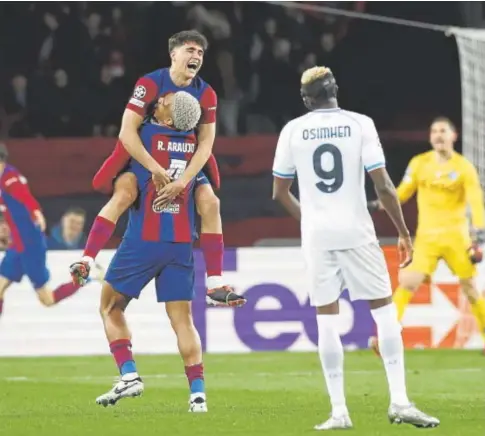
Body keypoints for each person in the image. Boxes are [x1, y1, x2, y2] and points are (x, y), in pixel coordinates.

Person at [272, 66, 439, 430]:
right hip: (357, 231)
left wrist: (311, 220)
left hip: (318, 237)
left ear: (306, 99)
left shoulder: (292, 131)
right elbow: (383, 186)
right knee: (383, 313)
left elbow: (279, 192)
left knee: (326, 321)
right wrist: (403, 231)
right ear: (336, 91)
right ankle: (400, 402)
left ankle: (339, 412)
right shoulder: (360, 123)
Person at [70, 29, 245, 308]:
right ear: (173, 54)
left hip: (183, 156)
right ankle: (86, 259)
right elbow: (127, 133)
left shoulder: (206, 93)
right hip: (143, 152)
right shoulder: (150, 84)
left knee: (211, 202)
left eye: (200, 52)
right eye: (190, 50)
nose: (196, 56)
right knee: (124, 195)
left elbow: (206, 144)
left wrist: (183, 181)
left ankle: (214, 284)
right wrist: (153, 168)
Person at [95, 90, 208, 412]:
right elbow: (211, 186)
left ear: (169, 118)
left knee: (110, 307)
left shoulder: (143, 134)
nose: (157, 101)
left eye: (164, 103)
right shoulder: (194, 148)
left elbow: (111, 164)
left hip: (144, 239)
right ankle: (197, 395)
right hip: (182, 242)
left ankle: (129, 374)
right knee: (183, 321)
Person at [368, 117, 485, 351]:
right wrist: (380, 203)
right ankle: (386, 339)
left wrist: (479, 235)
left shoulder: (464, 167)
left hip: (457, 238)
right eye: (434, 131)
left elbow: (476, 201)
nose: (438, 135)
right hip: (427, 238)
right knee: (408, 282)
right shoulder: (420, 163)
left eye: (443, 131)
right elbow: (402, 192)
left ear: (454, 136)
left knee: (471, 289)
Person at [0, 144, 84, 317]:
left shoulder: (10, 180)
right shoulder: (5, 176)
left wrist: (36, 211)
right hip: (17, 245)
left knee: (48, 299)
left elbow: (25, 197)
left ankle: (85, 276)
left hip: (30, 246)